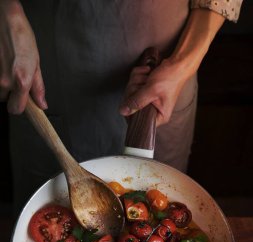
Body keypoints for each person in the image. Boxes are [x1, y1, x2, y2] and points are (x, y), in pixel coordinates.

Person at [0, 0, 243, 214]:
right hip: (46, 58)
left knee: (161, 206)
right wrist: (7, 14)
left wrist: (181, 65)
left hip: (167, 67)